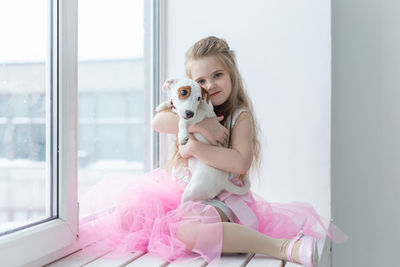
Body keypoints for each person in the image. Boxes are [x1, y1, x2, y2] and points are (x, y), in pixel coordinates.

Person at [79, 36, 346, 267]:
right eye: (201, 80)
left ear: (232, 75)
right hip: (185, 193)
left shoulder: (239, 117)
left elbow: (240, 162)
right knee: (128, 215)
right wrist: (202, 124)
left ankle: (284, 247)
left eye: (217, 75)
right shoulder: (190, 106)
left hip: (222, 199)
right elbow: (158, 121)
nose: (210, 85)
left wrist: (195, 146)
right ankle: (208, 236)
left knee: (187, 231)